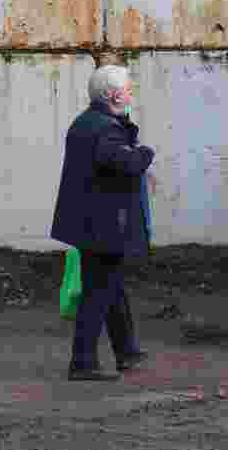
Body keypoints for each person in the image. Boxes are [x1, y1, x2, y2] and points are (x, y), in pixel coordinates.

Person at [51, 65, 152, 381]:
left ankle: (127, 351)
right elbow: (125, 162)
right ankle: (83, 362)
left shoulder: (85, 122)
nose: (132, 93)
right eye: (128, 89)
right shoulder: (106, 129)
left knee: (111, 286)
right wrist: (144, 153)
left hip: (89, 222)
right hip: (105, 226)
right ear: (114, 95)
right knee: (98, 292)